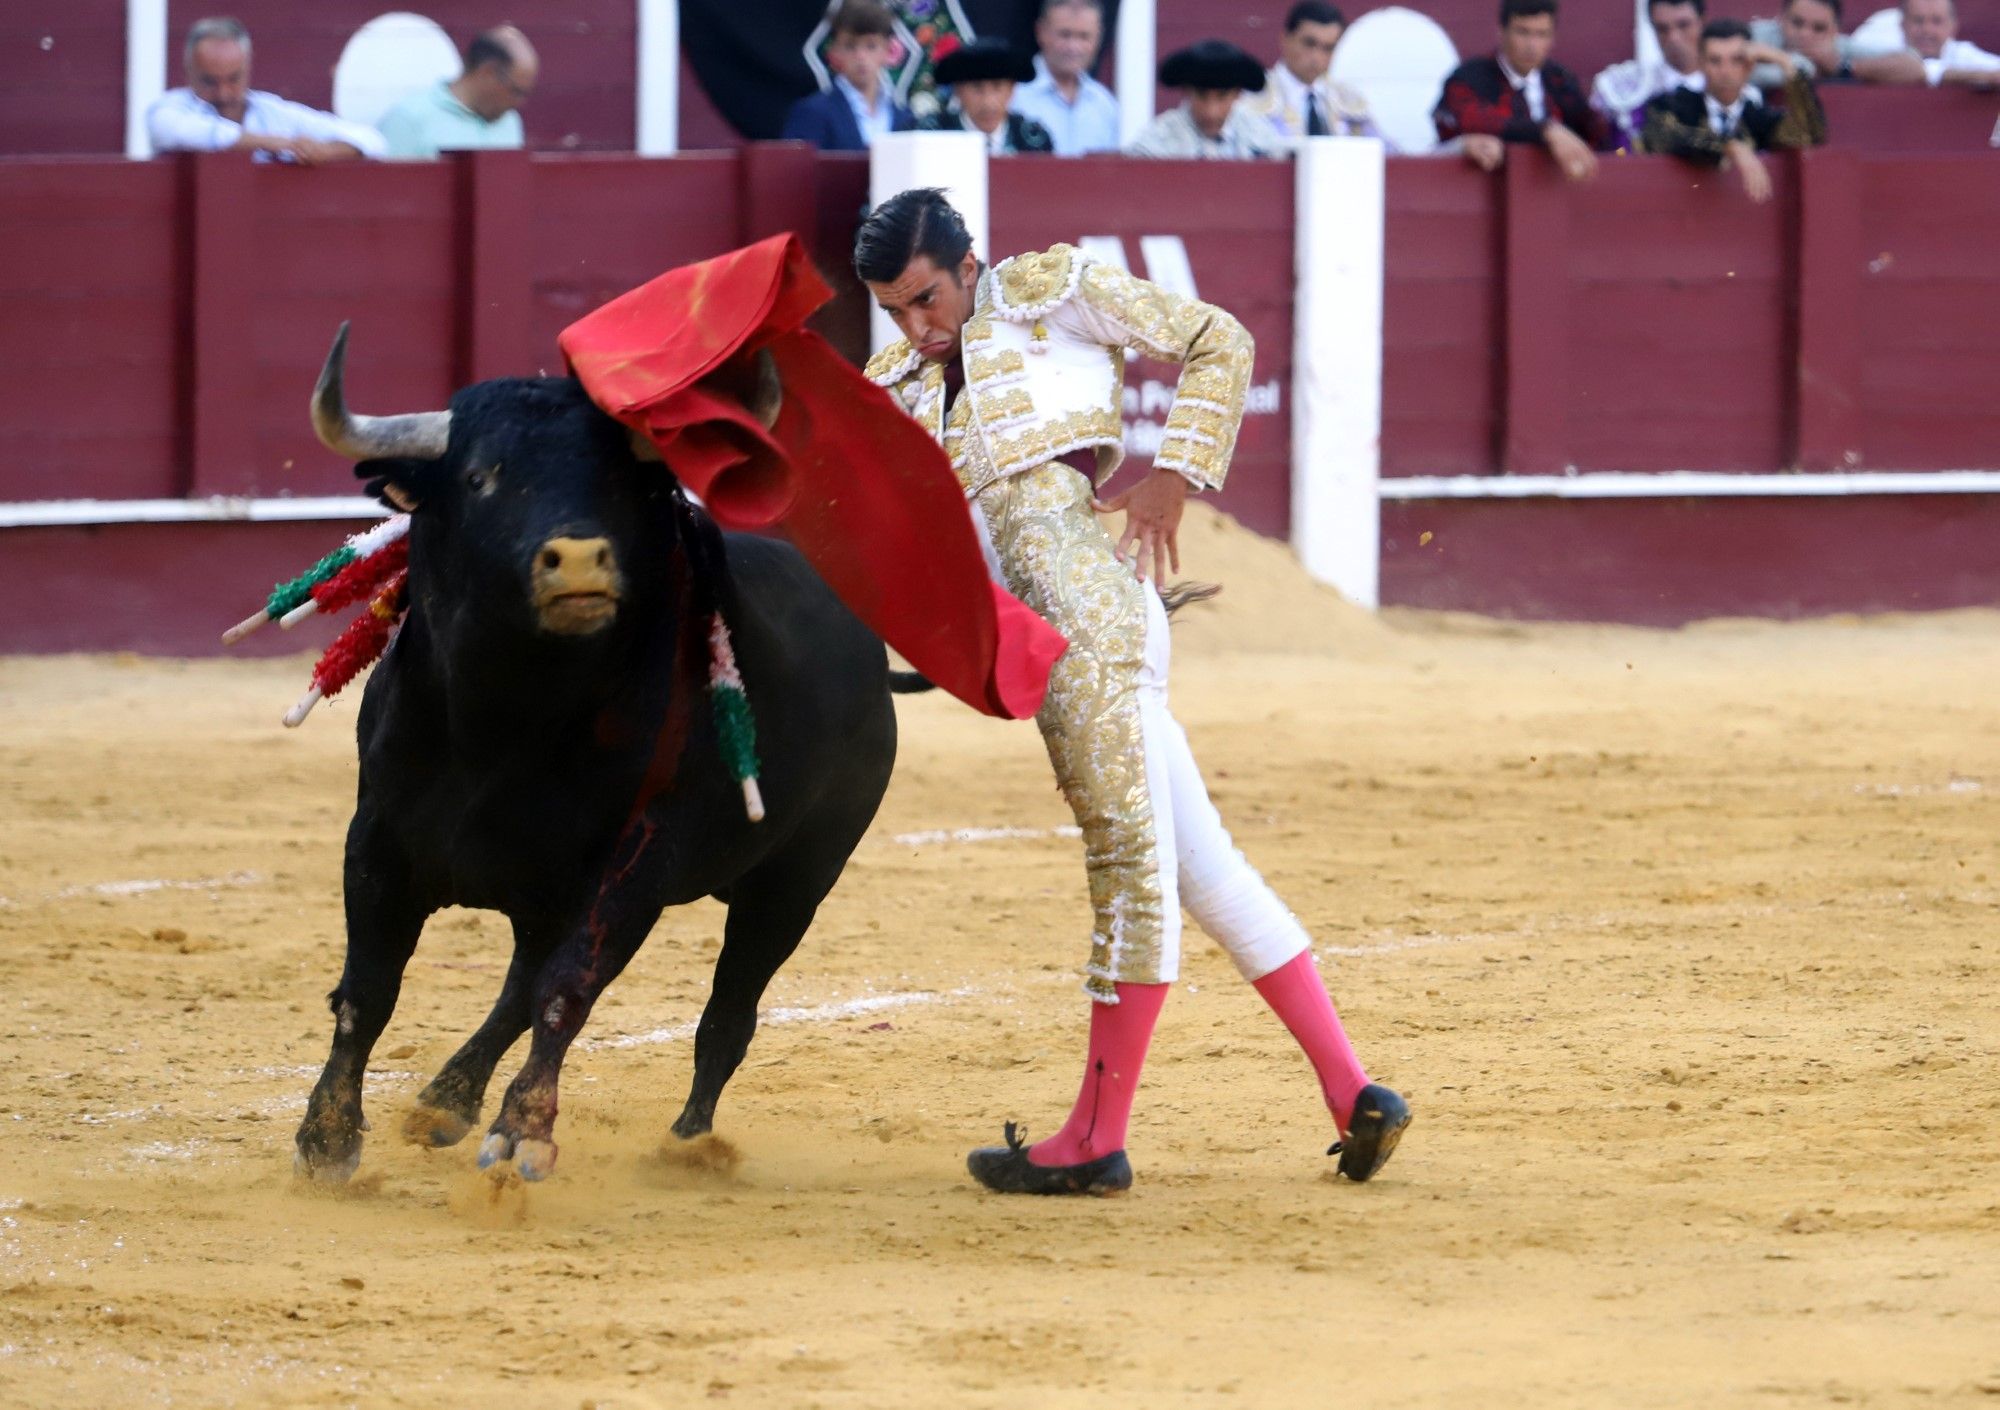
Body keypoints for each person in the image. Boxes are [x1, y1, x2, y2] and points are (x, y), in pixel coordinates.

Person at [855, 188, 1412, 1196]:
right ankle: (1353, 1092)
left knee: (1126, 862)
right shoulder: (889, 377)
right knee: (1201, 866)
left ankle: (1096, 1137)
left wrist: (1172, 478)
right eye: (895, 310)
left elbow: (1217, 337)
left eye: (925, 299)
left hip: (1089, 619)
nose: (915, 326)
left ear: (968, 264)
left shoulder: (1043, 293)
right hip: (1045, 636)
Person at [148, 17, 386, 163]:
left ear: (248, 69)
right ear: (189, 72)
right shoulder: (170, 109)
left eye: (233, 79)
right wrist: (272, 143)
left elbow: (373, 140)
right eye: (210, 82)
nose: (223, 93)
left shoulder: (272, 112)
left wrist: (327, 151)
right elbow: (194, 133)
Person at [1640, 20, 1826, 203]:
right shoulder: (1673, 105)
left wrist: (1784, 62)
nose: (1725, 71)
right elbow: (1665, 137)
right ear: (1701, 64)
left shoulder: (1759, 118)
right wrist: (1730, 147)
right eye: (1715, 60)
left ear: (1749, 67)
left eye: (1736, 61)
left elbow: (1809, 135)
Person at [1434, 0, 1608, 182]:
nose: (1531, 45)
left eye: (1541, 34)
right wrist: (1547, 131)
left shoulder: (1560, 80)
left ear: (1552, 38)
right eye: (1522, 32)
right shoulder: (1469, 77)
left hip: (1549, 193)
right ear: (1502, 32)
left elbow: (1594, 131)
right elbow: (1471, 120)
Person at [376, 26, 538, 158]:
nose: (519, 102)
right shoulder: (409, 119)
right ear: (487, 72)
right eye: (516, 91)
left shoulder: (510, 121)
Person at [781, 0, 916, 152]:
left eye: (871, 46)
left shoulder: (904, 116)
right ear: (835, 51)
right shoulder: (812, 113)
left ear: (888, 50)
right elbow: (794, 171)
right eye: (850, 46)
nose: (861, 56)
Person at [1240, 2, 1385, 143]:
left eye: (1328, 48)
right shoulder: (1253, 98)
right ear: (1285, 39)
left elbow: (1387, 156)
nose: (1317, 57)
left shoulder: (1349, 101)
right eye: (1309, 43)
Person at [1592, 0, 1720, 152]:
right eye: (1662, 29)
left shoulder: (1732, 88)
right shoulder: (1622, 87)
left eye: (1683, 25)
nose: (1674, 38)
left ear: (1702, 21)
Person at [1128, 41, 1289, 159]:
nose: (1211, 112)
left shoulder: (1261, 138)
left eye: (1222, 97)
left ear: (1238, 94)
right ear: (1186, 91)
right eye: (1201, 96)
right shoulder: (1154, 143)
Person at [1010, 0, 1122, 155]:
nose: (1073, 47)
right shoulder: (1013, 95)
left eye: (1084, 37)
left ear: (1098, 37)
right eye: (1065, 35)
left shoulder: (1105, 105)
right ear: (1040, 32)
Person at [1749, 0, 1922, 89]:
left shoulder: (1838, 47)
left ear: (1835, 31)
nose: (1805, 34)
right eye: (1797, 23)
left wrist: (1844, 66)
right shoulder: (1756, 34)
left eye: (1818, 28)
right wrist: (1804, 67)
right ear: (1781, 18)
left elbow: (1914, 66)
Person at [923, 38, 1055, 153]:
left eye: (997, 87)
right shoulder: (931, 136)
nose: (988, 102)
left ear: (1011, 90)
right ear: (958, 91)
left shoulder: (1033, 140)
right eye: (977, 88)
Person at [1899, 0, 2000, 89]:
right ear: (1903, 25)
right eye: (1918, 20)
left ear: (1953, 26)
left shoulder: (1962, 53)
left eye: (1936, 21)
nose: (1927, 30)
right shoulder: (1890, 49)